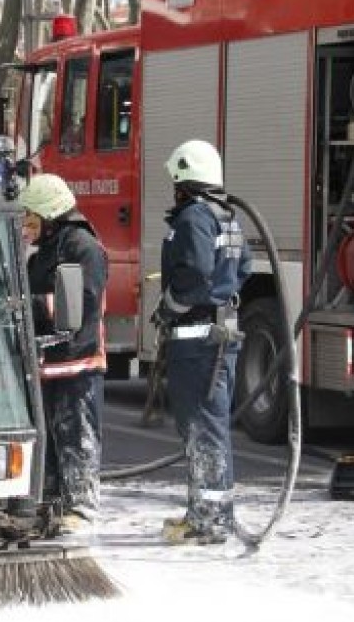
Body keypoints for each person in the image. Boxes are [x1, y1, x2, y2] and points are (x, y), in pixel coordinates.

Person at [154, 140, 251, 546]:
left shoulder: (195, 216)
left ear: (183, 178)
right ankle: (211, 513)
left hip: (196, 342)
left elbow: (193, 272)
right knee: (211, 426)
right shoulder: (226, 217)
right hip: (217, 338)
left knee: (202, 428)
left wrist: (168, 309)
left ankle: (209, 520)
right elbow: (243, 266)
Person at [18, 173, 108, 535]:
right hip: (46, 362)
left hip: (77, 361)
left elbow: (80, 302)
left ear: (50, 213)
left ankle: (80, 508)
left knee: (77, 436)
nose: (26, 226)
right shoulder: (44, 253)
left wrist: (29, 306)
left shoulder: (83, 248)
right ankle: (51, 502)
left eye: (30, 218)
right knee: (51, 439)